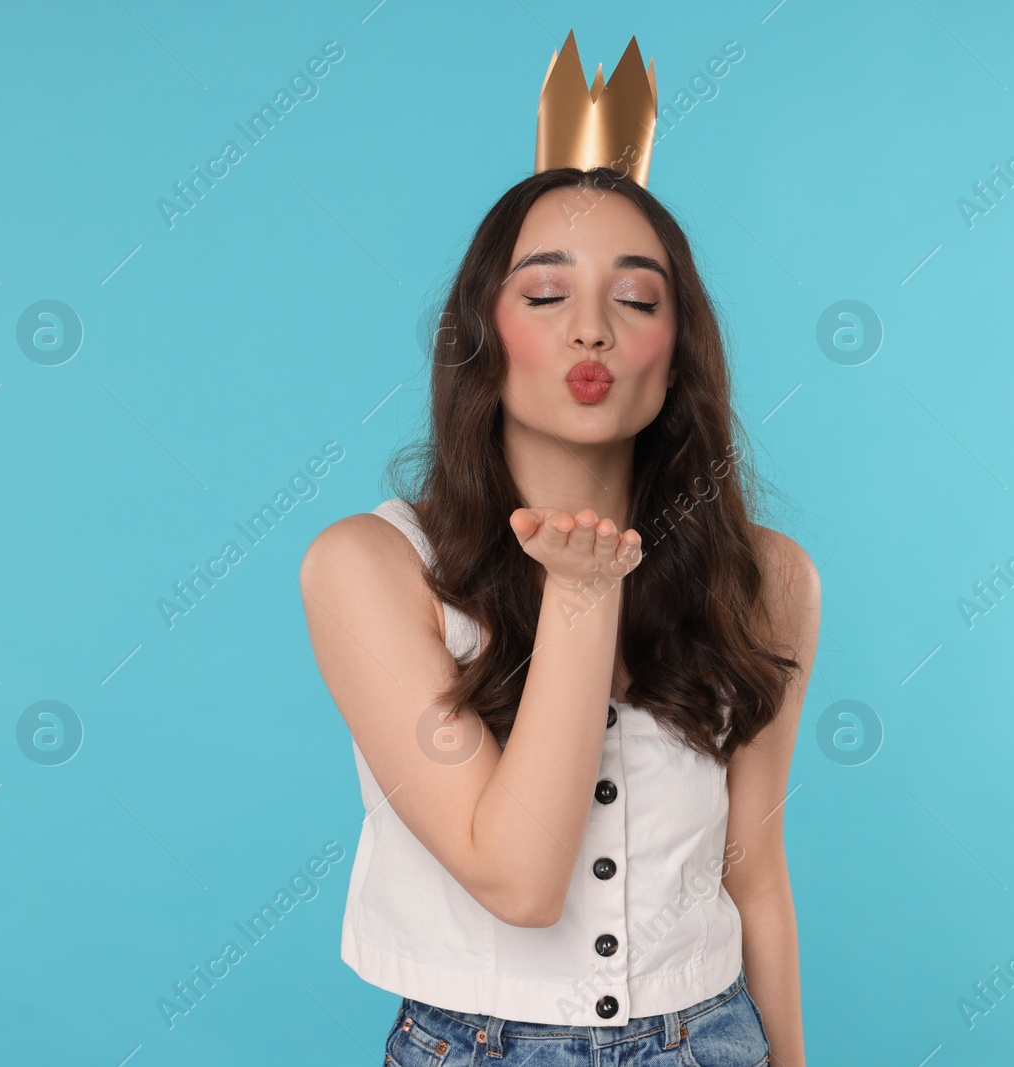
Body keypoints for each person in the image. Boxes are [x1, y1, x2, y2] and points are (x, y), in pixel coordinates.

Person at [298, 32, 818, 1067]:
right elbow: (520, 879)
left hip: (715, 1038)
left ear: (679, 350)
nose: (593, 329)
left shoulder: (768, 576)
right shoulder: (369, 565)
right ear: (482, 334)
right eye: (545, 294)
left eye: (636, 298)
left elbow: (752, 871)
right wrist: (581, 598)